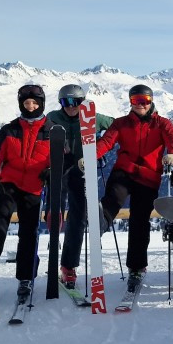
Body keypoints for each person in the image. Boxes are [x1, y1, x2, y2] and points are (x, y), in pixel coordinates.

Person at [90, 84, 173, 293]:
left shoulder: (162, 123)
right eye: (136, 101)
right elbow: (106, 142)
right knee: (114, 196)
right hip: (124, 171)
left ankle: (137, 267)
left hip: (148, 177)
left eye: (144, 101)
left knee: (139, 221)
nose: (140, 105)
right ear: (130, 102)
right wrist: (90, 156)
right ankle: (100, 221)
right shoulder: (121, 124)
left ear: (151, 102)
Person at [0, 84, 53, 301]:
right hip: (9, 181)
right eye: (26, 103)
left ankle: (25, 277)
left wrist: (52, 172)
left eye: (34, 103)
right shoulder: (10, 129)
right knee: (2, 212)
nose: (31, 107)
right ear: (21, 105)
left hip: (34, 186)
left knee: (28, 232)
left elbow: (63, 158)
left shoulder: (52, 131)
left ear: (41, 104)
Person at [47, 84, 114, 290]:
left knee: (77, 218)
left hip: (80, 170)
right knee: (54, 213)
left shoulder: (93, 117)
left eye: (75, 102)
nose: (70, 107)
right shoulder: (52, 118)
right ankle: (52, 220)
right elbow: (37, 137)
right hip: (57, 168)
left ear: (82, 102)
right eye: (65, 102)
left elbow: (117, 128)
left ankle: (68, 267)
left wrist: (98, 149)